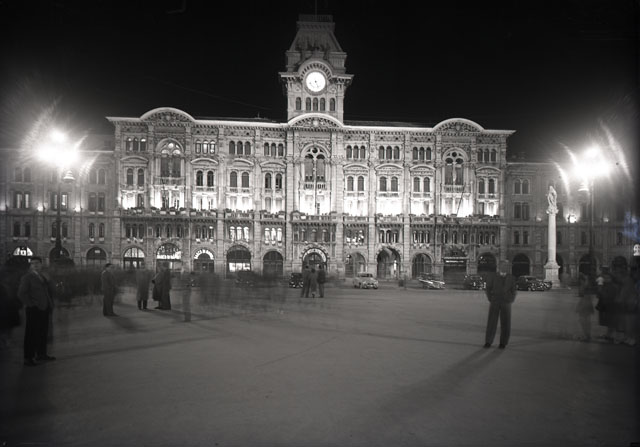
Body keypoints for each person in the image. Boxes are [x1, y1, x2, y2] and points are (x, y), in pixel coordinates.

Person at [18, 256, 56, 366]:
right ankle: (28, 358)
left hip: (45, 308)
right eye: (33, 263)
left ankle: (41, 354)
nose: (35, 265)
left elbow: (52, 290)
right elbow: (21, 293)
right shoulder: (27, 277)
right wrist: (31, 304)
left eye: (37, 263)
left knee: (43, 332)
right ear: (30, 266)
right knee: (31, 334)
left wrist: (49, 280)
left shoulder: (43, 276)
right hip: (34, 309)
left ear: (41, 264)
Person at [483, 259, 517, 349]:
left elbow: (514, 290)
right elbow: (488, 288)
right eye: (504, 265)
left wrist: (510, 299)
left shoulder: (512, 278)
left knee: (506, 323)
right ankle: (488, 341)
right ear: (500, 266)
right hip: (495, 301)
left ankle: (503, 342)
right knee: (492, 322)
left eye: (507, 266)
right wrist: (491, 298)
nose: (506, 267)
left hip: (506, 302)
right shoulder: (492, 276)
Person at [575, 273, 595, 341]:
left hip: (584, 304)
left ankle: (586, 335)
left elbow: (583, 295)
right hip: (587, 303)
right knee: (586, 320)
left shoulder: (584, 286)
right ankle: (587, 335)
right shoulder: (587, 286)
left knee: (583, 321)